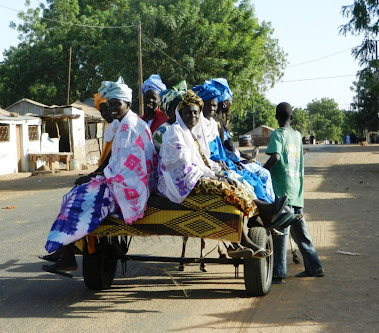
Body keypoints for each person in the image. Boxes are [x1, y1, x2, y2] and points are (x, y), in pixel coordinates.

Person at [40, 77, 157, 274]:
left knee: (77, 200)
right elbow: (118, 163)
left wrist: (99, 178)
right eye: (110, 104)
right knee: (75, 195)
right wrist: (97, 176)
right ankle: (65, 252)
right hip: (124, 182)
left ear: (127, 103)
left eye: (116, 104)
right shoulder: (125, 123)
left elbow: (127, 167)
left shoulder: (129, 127)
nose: (112, 108)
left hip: (129, 188)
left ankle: (66, 254)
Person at [157, 90, 290, 258]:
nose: (192, 116)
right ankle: (248, 231)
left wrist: (219, 172)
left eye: (195, 113)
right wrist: (214, 176)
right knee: (227, 190)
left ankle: (254, 219)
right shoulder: (175, 133)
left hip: (194, 176)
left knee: (234, 181)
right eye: (187, 112)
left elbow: (201, 161)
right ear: (180, 114)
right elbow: (184, 166)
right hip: (180, 182)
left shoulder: (189, 133)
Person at [264, 102, 324, 284]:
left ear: (276, 116)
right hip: (296, 192)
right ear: (292, 117)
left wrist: (261, 170)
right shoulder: (297, 136)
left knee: (281, 232)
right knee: (300, 233)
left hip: (282, 192)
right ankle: (314, 267)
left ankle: (278, 273)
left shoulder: (278, 134)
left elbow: (275, 157)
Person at [153, 80, 188, 151]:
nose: (179, 111)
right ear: (168, 111)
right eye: (176, 107)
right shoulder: (162, 131)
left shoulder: (188, 127)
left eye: (182, 107)